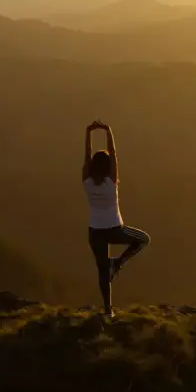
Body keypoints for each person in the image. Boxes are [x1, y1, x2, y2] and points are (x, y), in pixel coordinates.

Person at [82, 120, 150, 317]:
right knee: (143, 239)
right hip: (114, 229)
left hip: (94, 232)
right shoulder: (111, 181)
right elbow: (114, 153)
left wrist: (89, 132)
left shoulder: (86, 181)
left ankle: (108, 310)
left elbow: (86, 156)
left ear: (93, 165)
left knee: (102, 271)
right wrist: (108, 130)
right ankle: (118, 263)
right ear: (108, 165)